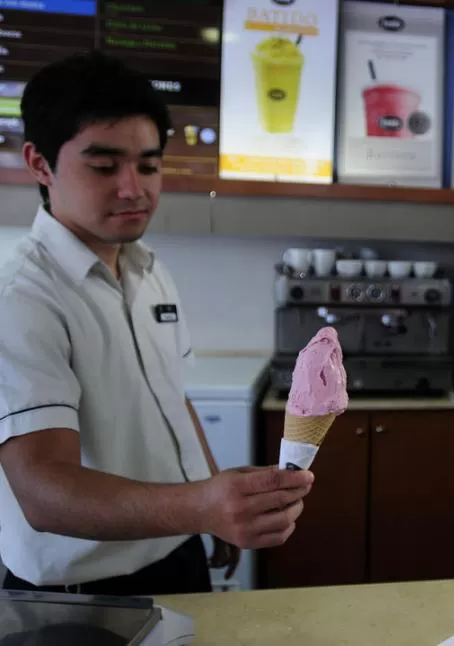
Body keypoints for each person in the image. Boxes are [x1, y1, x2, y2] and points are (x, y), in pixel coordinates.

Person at [0, 52, 313, 596]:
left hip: (175, 548)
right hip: (81, 590)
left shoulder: (147, 268)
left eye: (148, 165)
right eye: (104, 166)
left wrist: (210, 501)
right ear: (39, 164)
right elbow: (43, 491)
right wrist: (200, 505)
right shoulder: (22, 298)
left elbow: (172, 399)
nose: (134, 188)